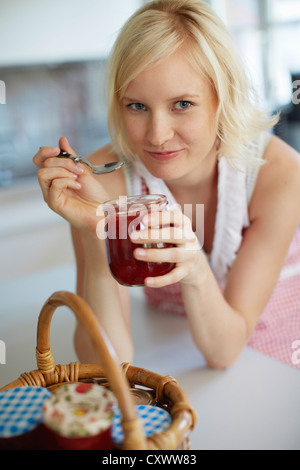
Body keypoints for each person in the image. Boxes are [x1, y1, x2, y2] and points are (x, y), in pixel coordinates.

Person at [33, 0, 300, 370]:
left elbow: (223, 353)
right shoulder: (102, 179)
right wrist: (98, 232)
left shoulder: (279, 173)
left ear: (223, 99)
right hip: (172, 343)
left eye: (182, 104)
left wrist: (195, 269)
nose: (157, 136)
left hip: (275, 351)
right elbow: (105, 360)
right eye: (137, 106)